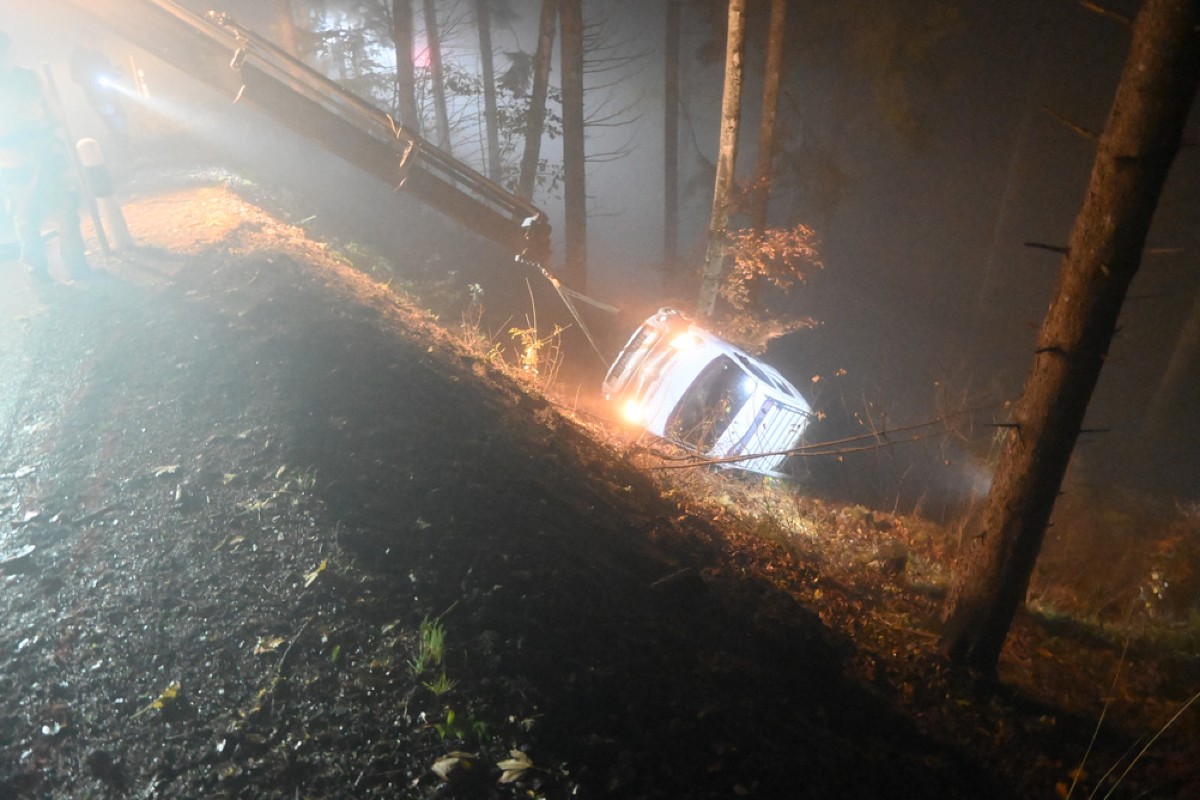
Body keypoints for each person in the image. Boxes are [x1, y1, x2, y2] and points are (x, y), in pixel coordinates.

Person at [0, 30, 91, 283]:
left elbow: (52, 110)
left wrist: (55, 127)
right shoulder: (27, 77)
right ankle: (43, 267)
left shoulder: (28, 77)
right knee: (29, 214)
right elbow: (52, 111)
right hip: (15, 155)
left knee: (58, 209)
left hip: (41, 150)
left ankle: (70, 265)